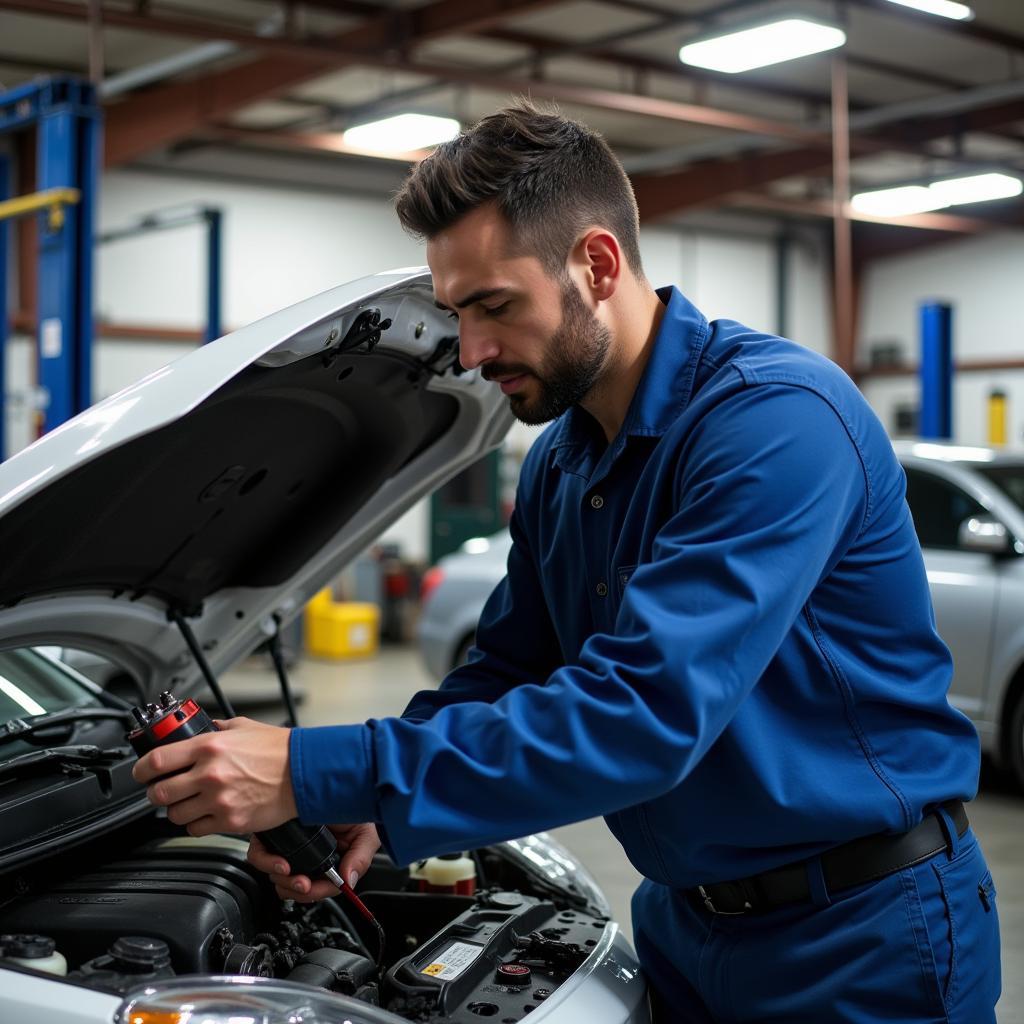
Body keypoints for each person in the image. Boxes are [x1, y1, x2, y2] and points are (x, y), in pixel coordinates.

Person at [133, 102, 1001, 1022]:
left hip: (860, 935)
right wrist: (376, 810)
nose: (470, 353)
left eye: (495, 306)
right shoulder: (564, 456)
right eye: (457, 313)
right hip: (683, 924)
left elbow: (642, 716)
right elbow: (510, 670)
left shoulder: (774, 421)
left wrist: (317, 766)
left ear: (596, 263)